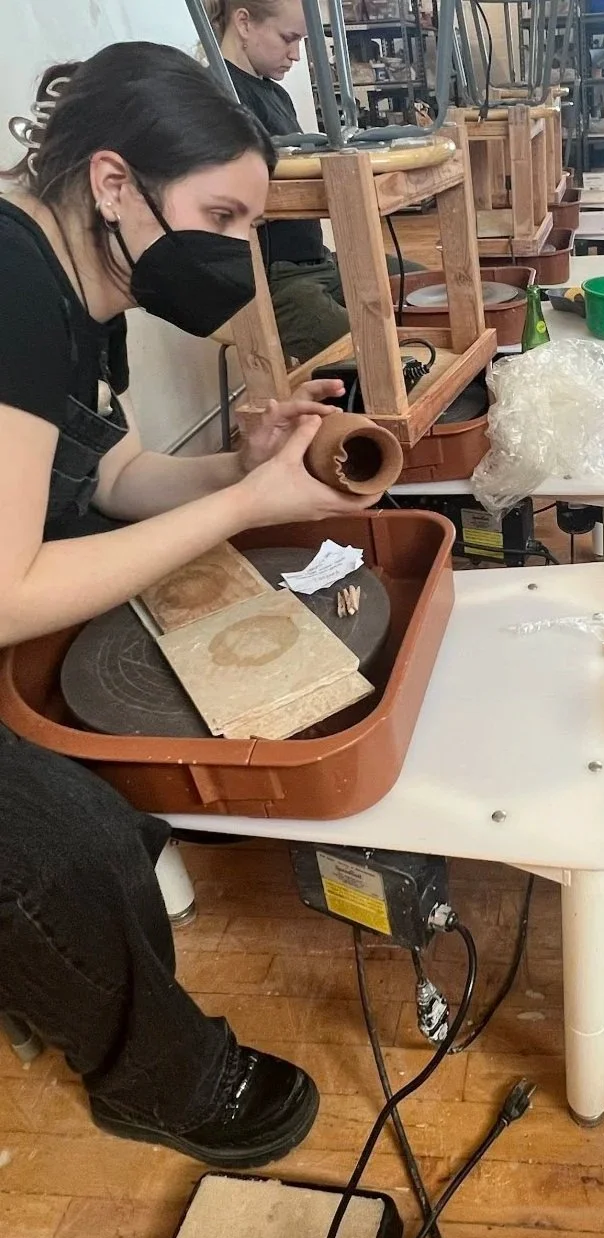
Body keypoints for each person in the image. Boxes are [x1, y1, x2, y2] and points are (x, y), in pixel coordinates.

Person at [0, 42, 380, 1164]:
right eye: (219, 216)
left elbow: (113, 474)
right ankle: (156, 1078)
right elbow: (8, 592)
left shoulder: (81, 267)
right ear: (115, 180)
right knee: (70, 849)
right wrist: (247, 503)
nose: (233, 253)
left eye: (247, 226)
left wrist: (238, 466)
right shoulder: (11, 283)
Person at [205, 0, 420, 366]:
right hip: (271, 279)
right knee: (382, 358)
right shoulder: (214, 96)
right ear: (243, 23)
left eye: (302, 41)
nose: (296, 54)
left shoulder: (275, 94)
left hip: (318, 262)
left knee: (428, 288)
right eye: (288, 38)